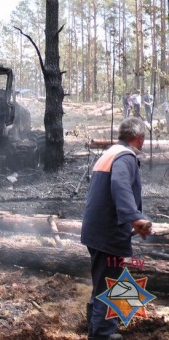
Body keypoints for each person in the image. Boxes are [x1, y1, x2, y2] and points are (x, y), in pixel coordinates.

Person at [81, 117, 152, 340]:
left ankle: (98, 324)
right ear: (139, 138)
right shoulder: (125, 157)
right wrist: (134, 219)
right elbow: (120, 185)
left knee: (105, 279)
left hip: (96, 231)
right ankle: (102, 333)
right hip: (107, 234)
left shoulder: (110, 153)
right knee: (109, 282)